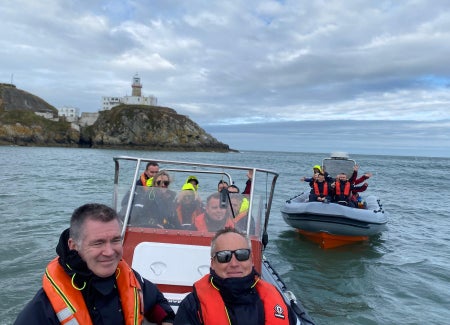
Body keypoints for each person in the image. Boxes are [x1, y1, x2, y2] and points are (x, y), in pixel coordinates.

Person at [14, 203, 175, 325]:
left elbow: (156, 302)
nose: (110, 252)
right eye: (98, 243)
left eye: (115, 240)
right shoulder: (43, 308)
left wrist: (167, 320)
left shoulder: (129, 277)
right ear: (73, 245)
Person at [174, 227, 296, 325]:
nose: (234, 264)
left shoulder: (277, 301)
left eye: (242, 255)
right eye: (224, 256)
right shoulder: (192, 306)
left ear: (252, 260)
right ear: (213, 264)